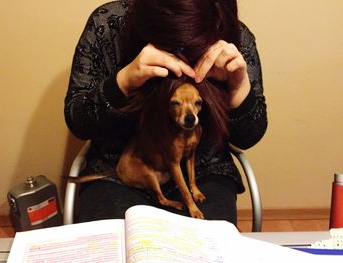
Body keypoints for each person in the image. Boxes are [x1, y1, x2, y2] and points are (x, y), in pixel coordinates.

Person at [64, 0, 267, 225]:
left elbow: (249, 136)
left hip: (205, 170)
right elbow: (78, 121)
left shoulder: (233, 36)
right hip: (121, 168)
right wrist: (123, 81)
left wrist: (237, 88)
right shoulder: (109, 25)